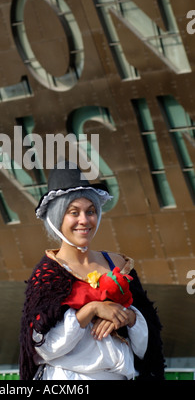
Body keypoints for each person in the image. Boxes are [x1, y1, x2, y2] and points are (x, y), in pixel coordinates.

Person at [19, 162, 165, 380]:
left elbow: (149, 344)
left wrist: (126, 317)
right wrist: (92, 310)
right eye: (73, 212)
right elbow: (44, 348)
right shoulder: (48, 274)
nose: (84, 220)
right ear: (58, 217)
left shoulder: (118, 264)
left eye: (91, 211)